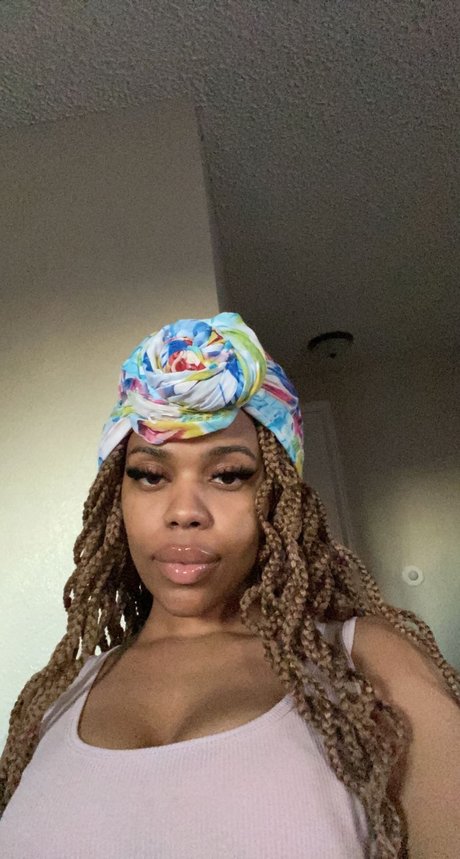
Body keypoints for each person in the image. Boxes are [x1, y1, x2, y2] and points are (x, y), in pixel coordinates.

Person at [0, 311, 458, 858]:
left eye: (228, 475)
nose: (184, 512)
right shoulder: (56, 701)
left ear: (279, 500)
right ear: (115, 499)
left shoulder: (365, 663)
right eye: (150, 474)